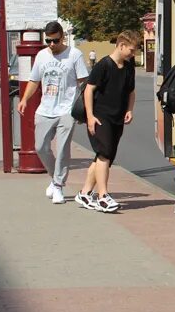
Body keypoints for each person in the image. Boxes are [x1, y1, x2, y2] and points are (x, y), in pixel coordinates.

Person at [18, 21, 88, 204]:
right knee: (41, 147)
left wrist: (84, 109)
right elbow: (34, 80)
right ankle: (54, 177)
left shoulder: (74, 55)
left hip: (67, 110)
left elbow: (84, 83)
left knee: (63, 148)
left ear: (62, 37)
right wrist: (24, 99)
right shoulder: (41, 56)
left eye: (55, 40)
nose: (51, 44)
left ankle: (58, 185)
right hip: (45, 109)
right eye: (48, 40)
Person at [77, 31, 139, 213]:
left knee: (104, 157)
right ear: (121, 46)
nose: (132, 54)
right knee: (104, 153)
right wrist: (90, 116)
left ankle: (84, 193)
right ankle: (102, 196)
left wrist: (129, 109)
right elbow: (88, 91)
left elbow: (131, 91)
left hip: (117, 117)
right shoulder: (103, 65)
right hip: (100, 116)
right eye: (131, 50)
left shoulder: (129, 67)